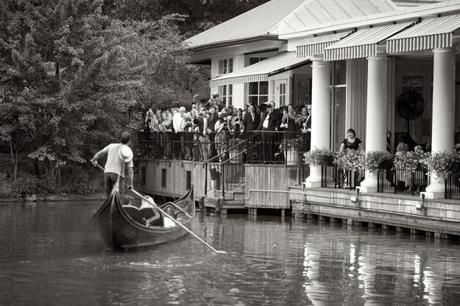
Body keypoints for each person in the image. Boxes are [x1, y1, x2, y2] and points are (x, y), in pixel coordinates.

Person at [90, 132, 134, 198]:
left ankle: (110, 206)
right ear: (129, 141)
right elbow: (130, 170)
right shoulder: (127, 152)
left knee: (109, 197)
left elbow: (100, 153)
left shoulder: (111, 145)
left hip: (107, 173)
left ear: (120, 139)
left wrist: (94, 159)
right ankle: (117, 206)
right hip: (118, 175)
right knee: (120, 196)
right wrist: (131, 184)